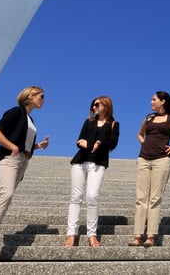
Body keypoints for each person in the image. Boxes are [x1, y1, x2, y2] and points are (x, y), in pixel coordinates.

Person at [0, 86, 49, 265]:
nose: (43, 100)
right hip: (9, 160)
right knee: (7, 195)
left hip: (22, 162)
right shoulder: (15, 112)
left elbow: (22, 142)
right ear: (30, 96)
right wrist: (12, 147)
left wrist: (38, 146)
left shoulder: (30, 119)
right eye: (41, 96)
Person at [128, 91, 170, 247]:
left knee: (154, 199)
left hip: (162, 160)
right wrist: (144, 143)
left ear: (162, 101)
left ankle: (150, 236)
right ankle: (137, 236)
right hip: (143, 159)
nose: (151, 102)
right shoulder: (148, 118)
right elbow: (140, 134)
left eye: (154, 99)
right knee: (141, 198)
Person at [65, 96, 120, 247]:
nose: (93, 107)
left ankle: (92, 234)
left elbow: (113, 144)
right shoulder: (88, 122)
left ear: (106, 106)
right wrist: (87, 144)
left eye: (96, 104)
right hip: (80, 162)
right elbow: (80, 140)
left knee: (92, 196)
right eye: (92, 105)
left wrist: (99, 144)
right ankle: (71, 234)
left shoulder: (114, 124)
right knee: (75, 197)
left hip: (98, 164)